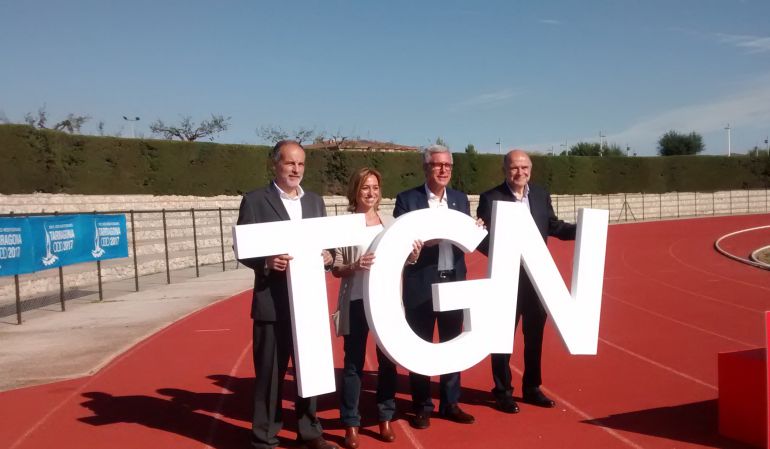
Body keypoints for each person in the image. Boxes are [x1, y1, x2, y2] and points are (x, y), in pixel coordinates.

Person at [236, 140, 338, 449]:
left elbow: (327, 243)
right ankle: (264, 438)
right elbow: (242, 247)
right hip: (272, 304)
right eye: (290, 163)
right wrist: (265, 262)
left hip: (308, 303)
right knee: (270, 376)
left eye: (301, 164)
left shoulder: (315, 202)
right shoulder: (255, 201)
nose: (296, 169)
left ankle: (310, 431)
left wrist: (329, 256)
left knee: (312, 371)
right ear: (275, 164)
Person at [476, 149, 576, 414]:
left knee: (535, 336)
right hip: (506, 277)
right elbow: (480, 238)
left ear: (530, 169)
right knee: (502, 337)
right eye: (513, 168)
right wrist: (504, 255)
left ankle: (532, 387)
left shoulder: (541, 195)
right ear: (504, 170)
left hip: (537, 278)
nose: (519, 173)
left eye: (524, 168)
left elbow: (552, 226)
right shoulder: (490, 198)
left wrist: (582, 230)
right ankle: (503, 391)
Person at [332, 168, 422, 449]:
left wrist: (412, 256)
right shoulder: (344, 225)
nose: (370, 193)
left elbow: (402, 260)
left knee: (387, 364)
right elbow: (335, 268)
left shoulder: (392, 223)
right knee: (353, 365)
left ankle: (385, 417)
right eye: (364, 188)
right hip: (356, 303)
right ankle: (351, 423)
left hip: (387, 304)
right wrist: (355, 266)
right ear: (355, 191)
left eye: (375, 187)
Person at [393, 144, 476, 430]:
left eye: (448, 166)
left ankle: (451, 403)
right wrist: (420, 243)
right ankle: (422, 405)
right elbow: (400, 245)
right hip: (421, 284)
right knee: (421, 346)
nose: (443, 170)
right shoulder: (407, 200)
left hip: (454, 280)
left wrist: (475, 229)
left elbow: (467, 241)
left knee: (454, 343)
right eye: (437, 165)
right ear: (426, 168)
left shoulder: (460, 199)